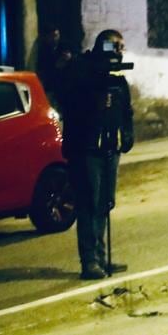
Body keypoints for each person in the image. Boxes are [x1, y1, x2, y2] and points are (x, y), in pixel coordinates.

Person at [60, 29, 134, 280]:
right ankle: (89, 261)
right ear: (103, 46)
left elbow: (125, 107)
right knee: (89, 204)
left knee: (104, 203)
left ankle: (102, 258)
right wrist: (94, 101)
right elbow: (70, 105)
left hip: (109, 148)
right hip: (86, 149)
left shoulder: (115, 77)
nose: (120, 51)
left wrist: (127, 133)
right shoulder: (81, 71)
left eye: (122, 47)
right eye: (116, 46)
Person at [34, 25, 73, 110]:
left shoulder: (64, 45)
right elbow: (42, 67)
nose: (55, 38)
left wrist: (69, 57)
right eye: (52, 36)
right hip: (51, 83)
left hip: (64, 83)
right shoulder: (43, 50)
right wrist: (55, 66)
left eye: (57, 35)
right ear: (47, 37)